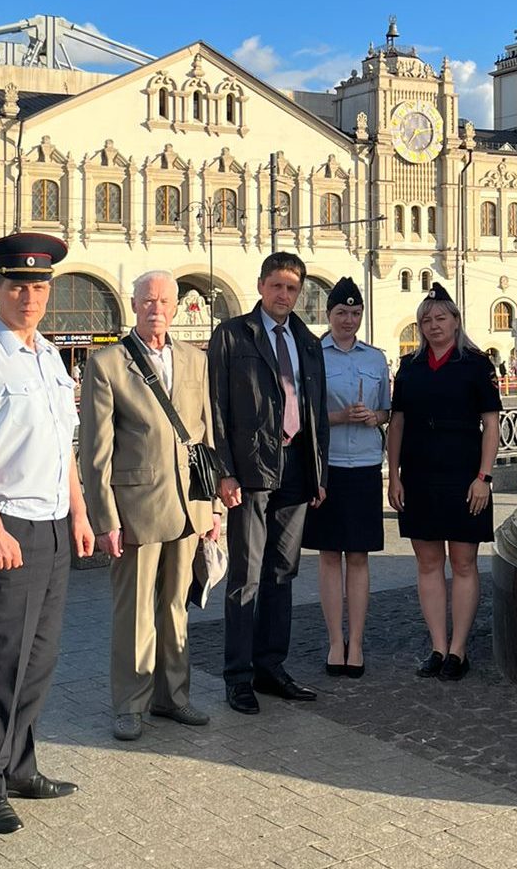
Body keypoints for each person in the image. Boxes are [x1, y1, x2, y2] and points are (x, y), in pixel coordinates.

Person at [0, 233, 95, 834]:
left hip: (54, 525)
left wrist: (80, 513)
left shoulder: (51, 356)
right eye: (18, 286)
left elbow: (64, 450)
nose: (29, 296)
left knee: (39, 658)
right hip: (4, 529)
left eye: (39, 286)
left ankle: (17, 766)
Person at [79, 270, 221, 743]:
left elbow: (205, 435)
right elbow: (95, 452)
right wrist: (105, 518)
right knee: (135, 610)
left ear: (177, 306)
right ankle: (129, 703)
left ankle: (173, 697)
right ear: (133, 305)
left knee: (175, 607)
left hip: (187, 507)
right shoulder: (108, 364)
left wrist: (213, 507)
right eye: (147, 301)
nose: (156, 308)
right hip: (135, 506)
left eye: (164, 300)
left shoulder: (194, 360)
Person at [208, 251, 329, 715]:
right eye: (277, 286)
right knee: (245, 575)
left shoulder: (307, 340)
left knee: (282, 572)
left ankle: (270, 666)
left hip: (297, 466)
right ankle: (237, 676)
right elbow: (215, 408)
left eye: (292, 288)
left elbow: (315, 411)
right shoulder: (233, 334)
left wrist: (319, 472)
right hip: (252, 469)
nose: (284, 295)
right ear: (261, 286)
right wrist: (224, 471)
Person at [387, 284, 501, 682]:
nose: (433, 325)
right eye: (426, 320)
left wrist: (484, 477)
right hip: (419, 474)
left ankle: (459, 650)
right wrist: (394, 475)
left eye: (440, 318)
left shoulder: (475, 363)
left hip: (465, 473)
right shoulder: (410, 367)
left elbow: (491, 423)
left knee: (465, 563)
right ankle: (437, 646)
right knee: (428, 563)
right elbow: (397, 423)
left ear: (455, 320)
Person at [302, 277, 389, 678]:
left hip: (367, 466)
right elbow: (303, 415)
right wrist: (339, 417)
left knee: (358, 555)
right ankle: (334, 641)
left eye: (355, 313)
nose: (349, 320)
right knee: (328, 556)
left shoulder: (375, 359)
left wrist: (375, 417)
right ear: (329, 315)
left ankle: (357, 641)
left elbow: (388, 411)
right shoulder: (313, 355)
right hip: (329, 466)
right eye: (341, 313)